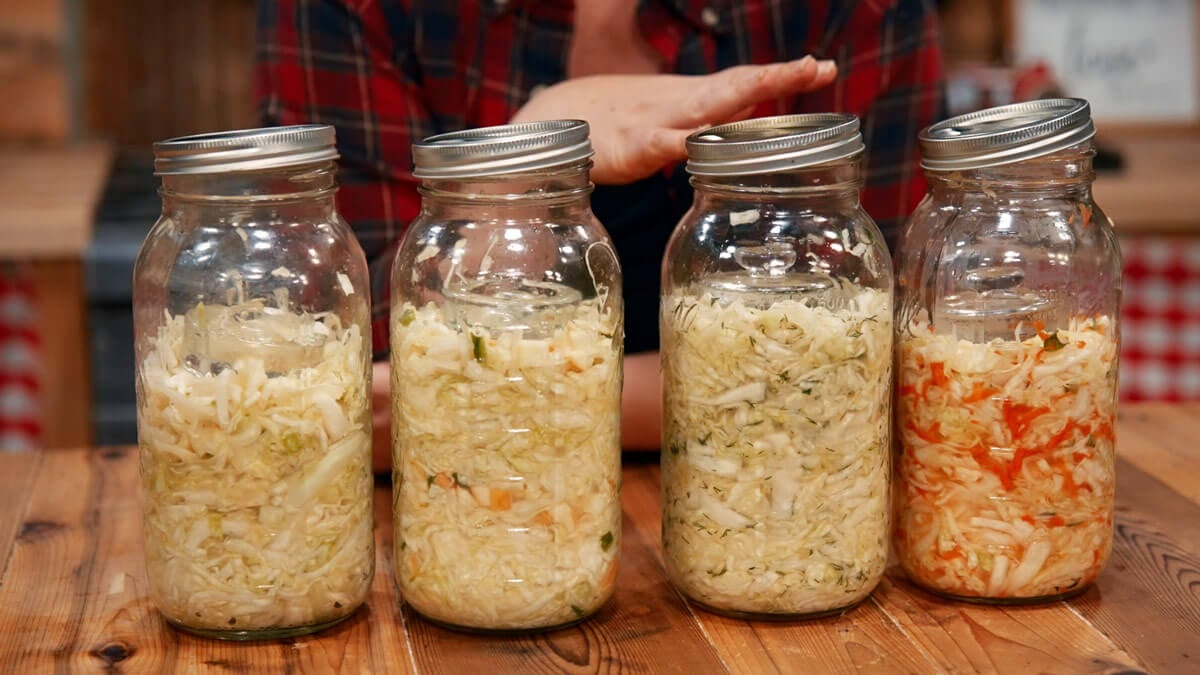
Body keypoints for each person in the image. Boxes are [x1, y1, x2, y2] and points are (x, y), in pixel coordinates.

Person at [256, 0, 945, 471]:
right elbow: (327, 369)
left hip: (768, 489)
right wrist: (516, 163)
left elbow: (881, 364)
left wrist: (509, 394)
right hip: (455, 503)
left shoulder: (863, 10)